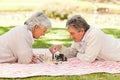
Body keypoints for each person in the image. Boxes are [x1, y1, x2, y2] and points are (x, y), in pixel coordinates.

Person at [49, 15, 120, 63]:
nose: (70, 36)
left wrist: (78, 54)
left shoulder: (94, 34)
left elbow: (88, 59)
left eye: (72, 33)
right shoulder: (79, 37)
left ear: (82, 31)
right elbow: (73, 52)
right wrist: (61, 48)